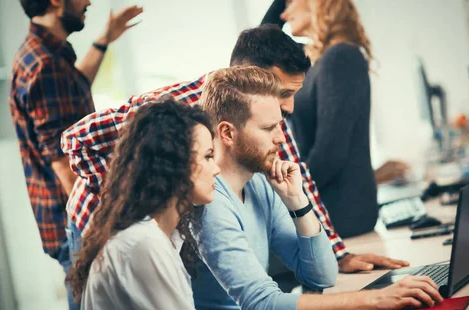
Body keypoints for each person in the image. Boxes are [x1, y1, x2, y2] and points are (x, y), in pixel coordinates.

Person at [61, 24, 409, 273]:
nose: (288, 108)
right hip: (96, 222)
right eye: (284, 94)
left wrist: (339, 253)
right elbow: (75, 140)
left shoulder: (266, 116)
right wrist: (128, 203)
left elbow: (298, 176)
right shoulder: (179, 102)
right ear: (251, 79)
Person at [67, 99, 355, 310]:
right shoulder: (143, 244)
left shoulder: (167, 238)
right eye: (206, 157)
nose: (216, 168)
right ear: (173, 166)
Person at [193, 66, 443, 310]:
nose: (280, 138)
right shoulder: (210, 203)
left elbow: (322, 274)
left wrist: (298, 202)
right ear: (227, 133)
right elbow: (266, 308)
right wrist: (376, 299)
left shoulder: (259, 183)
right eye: (268, 128)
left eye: (280, 125)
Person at [9, 0, 141, 310]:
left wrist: (104, 40)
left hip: (69, 223)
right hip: (78, 225)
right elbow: (65, 163)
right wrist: (102, 230)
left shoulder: (43, 54)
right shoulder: (44, 65)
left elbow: (76, 86)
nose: (88, 2)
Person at [263, 0, 409, 237]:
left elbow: (330, 152)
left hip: (341, 214)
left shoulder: (341, 57)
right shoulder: (316, 59)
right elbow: (259, 47)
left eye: (290, 2)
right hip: (332, 206)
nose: (285, 12)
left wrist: (291, 195)